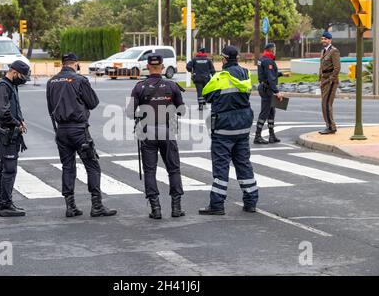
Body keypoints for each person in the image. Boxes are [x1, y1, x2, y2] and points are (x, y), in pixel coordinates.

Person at [46, 53, 117, 218]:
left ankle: (70, 206)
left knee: (67, 167)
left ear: (63, 64)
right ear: (76, 64)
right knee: (92, 165)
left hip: (61, 130)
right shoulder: (79, 80)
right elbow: (93, 102)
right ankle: (97, 205)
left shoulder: (51, 82)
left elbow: (50, 107)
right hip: (78, 129)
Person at [198, 46, 259, 215]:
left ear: (224, 59)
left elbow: (206, 95)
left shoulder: (219, 77)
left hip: (223, 129)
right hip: (242, 128)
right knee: (243, 163)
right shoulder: (246, 74)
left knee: (221, 167)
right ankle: (251, 201)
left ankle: (217, 205)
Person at [127, 53, 186, 219]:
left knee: (150, 170)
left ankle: (156, 208)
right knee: (173, 169)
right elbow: (182, 110)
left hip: (148, 132)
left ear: (147, 66)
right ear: (161, 67)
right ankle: (176, 207)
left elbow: (129, 112)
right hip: (167, 131)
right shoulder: (172, 86)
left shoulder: (140, 87)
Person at [0, 60, 30, 217]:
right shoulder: (3, 87)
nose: (23, 80)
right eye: (21, 76)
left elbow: (13, 109)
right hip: (7, 134)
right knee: (9, 170)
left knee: (5, 170)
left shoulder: (10, 86)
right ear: (14, 72)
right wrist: (17, 123)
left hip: (10, 133)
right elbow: (3, 112)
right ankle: (6, 206)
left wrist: (20, 120)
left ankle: (6, 203)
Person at [254, 43, 285, 145]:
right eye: (274, 49)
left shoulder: (262, 59)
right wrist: (277, 92)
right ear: (271, 50)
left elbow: (268, 74)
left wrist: (281, 74)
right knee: (265, 112)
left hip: (265, 87)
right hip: (268, 89)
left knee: (271, 112)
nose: (275, 51)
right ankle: (257, 136)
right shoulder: (268, 61)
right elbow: (270, 78)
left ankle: (272, 135)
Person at [319, 31, 341, 134]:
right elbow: (321, 67)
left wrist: (330, 80)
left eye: (326, 39)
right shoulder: (323, 51)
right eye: (322, 39)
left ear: (330, 40)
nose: (323, 40)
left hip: (331, 82)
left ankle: (331, 127)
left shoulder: (334, 51)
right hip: (324, 81)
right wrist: (320, 80)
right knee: (324, 104)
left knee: (326, 104)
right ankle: (329, 125)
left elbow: (337, 68)